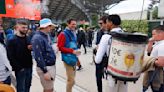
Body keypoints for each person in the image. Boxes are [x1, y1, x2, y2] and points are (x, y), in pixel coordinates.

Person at [96, 14, 125, 92]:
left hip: (113, 71)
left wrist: (97, 50)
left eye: (107, 22)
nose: (106, 24)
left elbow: (98, 60)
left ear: (111, 23)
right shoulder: (126, 35)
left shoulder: (106, 37)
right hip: (124, 73)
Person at [6, 19, 33, 92]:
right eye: (23, 27)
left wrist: (31, 48)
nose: (25, 29)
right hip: (20, 68)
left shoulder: (27, 38)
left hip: (29, 66)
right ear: (17, 28)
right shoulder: (12, 40)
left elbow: (29, 49)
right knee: (21, 88)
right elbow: (10, 56)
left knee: (28, 85)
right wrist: (19, 68)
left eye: (26, 27)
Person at [31, 18, 56, 92]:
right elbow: (38, 56)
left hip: (49, 66)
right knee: (48, 89)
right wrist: (45, 72)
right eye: (50, 26)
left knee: (50, 88)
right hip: (46, 68)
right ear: (46, 26)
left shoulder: (45, 36)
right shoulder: (37, 38)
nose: (51, 28)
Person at [57, 19, 81, 92]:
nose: (74, 26)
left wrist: (77, 56)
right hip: (68, 59)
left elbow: (74, 45)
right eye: (72, 24)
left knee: (72, 80)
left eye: (75, 24)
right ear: (68, 24)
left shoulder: (73, 33)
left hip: (73, 57)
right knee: (71, 80)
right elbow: (60, 47)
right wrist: (72, 51)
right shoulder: (63, 34)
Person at [143, 25, 164, 92]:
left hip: (157, 74)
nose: (152, 36)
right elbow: (149, 52)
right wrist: (150, 42)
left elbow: (161, 63)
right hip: (153, 73)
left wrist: (147, 61)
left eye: (153, 34)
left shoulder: (162, 45)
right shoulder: (157, 43)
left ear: (160, 34)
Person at [94, 15, 108, 92]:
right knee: (98, 77)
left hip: (109, 58)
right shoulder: (99, 32)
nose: (100, 25)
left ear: (107, 23)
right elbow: (96, 44)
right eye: (99, 23)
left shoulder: (112, 33)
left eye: (101, 23)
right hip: (100, 58)